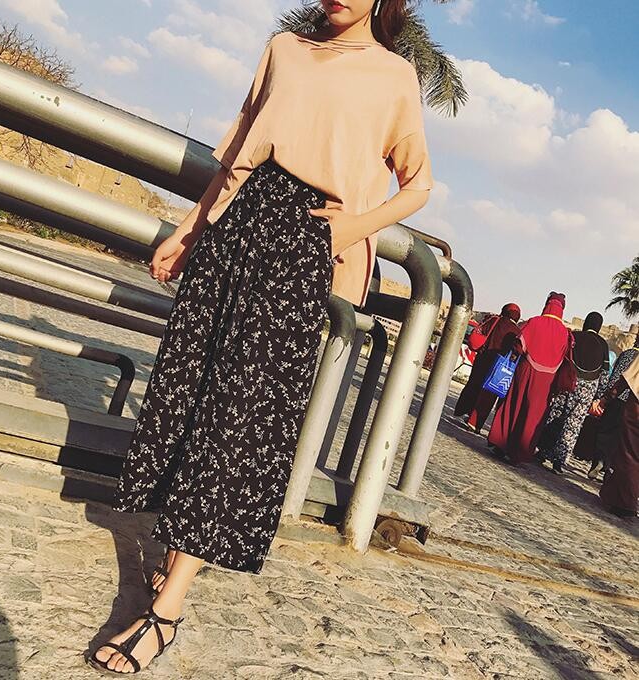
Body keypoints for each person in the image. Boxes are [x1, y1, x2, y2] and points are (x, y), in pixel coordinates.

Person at [89, 1, 434, 674]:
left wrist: (349, 228)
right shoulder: (285, 49)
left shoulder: (395, 75)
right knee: (190, 391)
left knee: (239, 417)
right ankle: (174, 554)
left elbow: (418, 186)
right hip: (238, 225)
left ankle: (168, 608)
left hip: (304, 242)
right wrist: (190, 230)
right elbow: (238, 152)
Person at [487, 292, 572, 465]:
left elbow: (519, 346)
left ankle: (501, 443)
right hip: (547, 380)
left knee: (514, 405)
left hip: (525, 371)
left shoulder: (534, 322)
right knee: (532, 415)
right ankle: (519, 453)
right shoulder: (565, 333)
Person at [536, 312, 610, 474]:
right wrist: (599, 397)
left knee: (555, 416)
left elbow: (562, 358)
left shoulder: (574, 336)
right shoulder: (603, 344)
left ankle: (542, 452)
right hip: (587, 390)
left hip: (568, 382)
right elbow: (604, 374)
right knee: (573, 424)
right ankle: (558, 461)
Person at [576, 336, 639, 479]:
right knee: (619, 438)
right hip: (630, 404)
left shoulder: (628, 354)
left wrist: (606, 397)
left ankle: (598, 461)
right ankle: (608, 467)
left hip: (616, 400)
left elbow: (616, 377)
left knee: (605, 432)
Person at [454, 304, 521, 433]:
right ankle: (475, 422)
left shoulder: (494, 320)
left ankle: (463, 409)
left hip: (483, 359)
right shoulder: (516, 332)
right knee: (488, 394)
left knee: (474, 383)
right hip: (498, 366)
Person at [590, 354, 639, 518]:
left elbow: (627, 377)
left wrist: (608, 397)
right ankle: (624, 497)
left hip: (635, 409)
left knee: (628, 454)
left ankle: (624, 501)